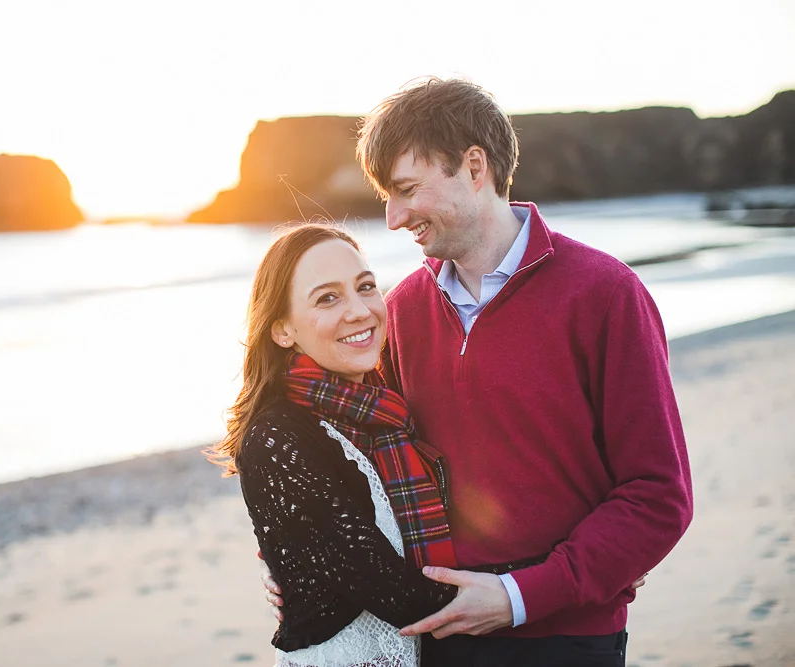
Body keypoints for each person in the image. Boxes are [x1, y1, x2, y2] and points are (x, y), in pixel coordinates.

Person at [264, 78, 694, 666]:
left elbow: (657, 496)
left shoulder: (606, 294)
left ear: (474, 167)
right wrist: (301, 557)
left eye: (408, 190)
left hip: (566, 637)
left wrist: (525, 594)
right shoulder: (402, 311)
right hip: (438, 633)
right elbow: (359, 461)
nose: (393, 217)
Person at [209, 224, 472, 667]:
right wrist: (539, 582)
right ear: (281, 330)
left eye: (365, 287)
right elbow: (401, 596)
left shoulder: (384, 413)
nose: (359, 310)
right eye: (327, 297)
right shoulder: (277, 437)